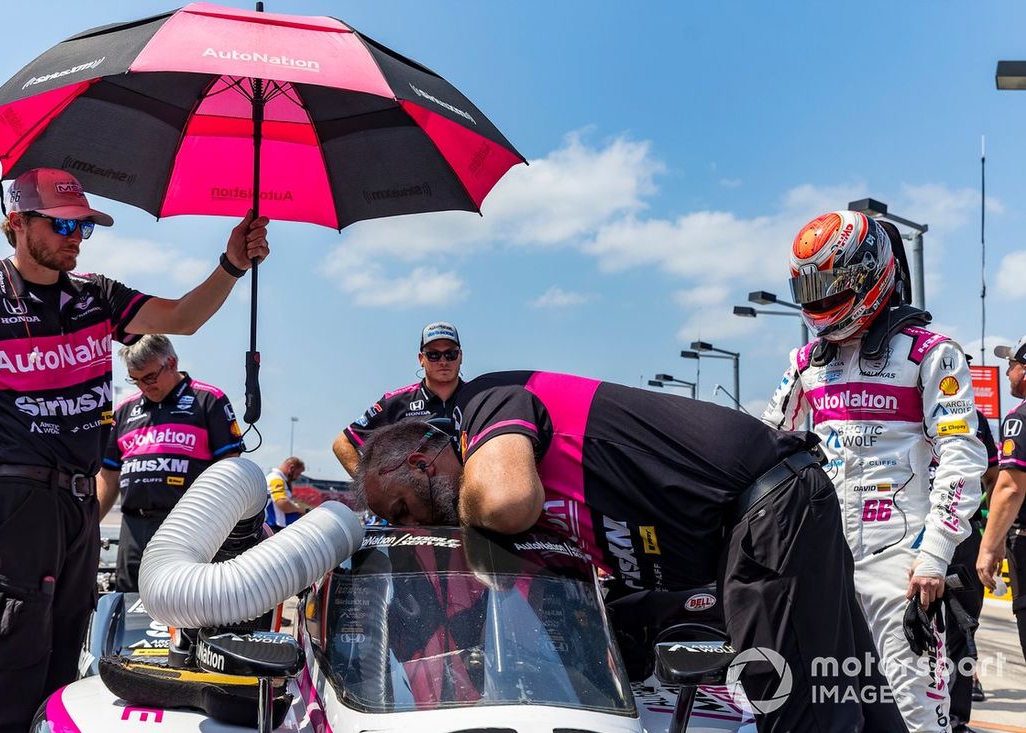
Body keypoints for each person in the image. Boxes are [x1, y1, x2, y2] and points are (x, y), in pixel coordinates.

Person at [354, 370, 908, 732]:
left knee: (793, 704)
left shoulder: (486, 403)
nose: (411, 525)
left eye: (402, 508)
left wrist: (473, 529)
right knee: (854, 689)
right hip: (766, 515)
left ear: (423, 463)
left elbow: (508, 500)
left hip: (765, 507)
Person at [0, 167, 269, 733]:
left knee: (64, 670)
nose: (74, 237)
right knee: (0, 679)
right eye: (62, 224)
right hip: (12, 503)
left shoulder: (97, 296)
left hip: (80, 508)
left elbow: (182, 317)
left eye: (84, 227)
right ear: (16, 223)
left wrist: (231, 263)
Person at [763, 211, 985, 733]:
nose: (816, 301)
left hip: (902, 566)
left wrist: (933, 556)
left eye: (828, 285)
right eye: (807, 287)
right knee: (824, 706)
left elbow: (962, 456)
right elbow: (767, 444)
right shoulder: (806, 363)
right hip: (825, 560)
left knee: (916, 715)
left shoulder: (930, 353)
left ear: (869, 276)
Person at [97, 335, 245, 592]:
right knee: (130, 606)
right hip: (134, 527)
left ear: (172, 362)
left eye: (150, 377)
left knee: (183, 604)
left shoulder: (209, 399)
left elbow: (230, 467)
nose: (144, 386)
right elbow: (107, 478)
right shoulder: (123, 410)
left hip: (187, 525)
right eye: (135, 379)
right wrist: (85, 525)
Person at [332, 321, 465, 477]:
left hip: (469, 499)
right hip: (418, 498)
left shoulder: (480, 398)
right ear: (421, 359)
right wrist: (370, 488)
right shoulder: (395, 402)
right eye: (433, 355)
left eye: (450, 354)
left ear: (460, 357)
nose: (443, 361)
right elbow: (342, 443)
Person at [941, 409, 999, 731]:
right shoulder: (903, 406)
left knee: (962, 631)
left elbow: (993, 476)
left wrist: (992, 535)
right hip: (908, 538)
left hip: (964, 538)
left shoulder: (975, 418)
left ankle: (955, 720)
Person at [978, 335, 1026, 666]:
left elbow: (1009, 487)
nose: (1007, 372)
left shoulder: (1020, 418)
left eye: (1011, 365)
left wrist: (988, 547)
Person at [264, 455, 308, 532]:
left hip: (279, 528)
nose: (296, 477)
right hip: (276, 529)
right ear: (291, 468)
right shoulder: (276, 479)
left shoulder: (279, 479)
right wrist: (299, 510)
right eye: (297, 474)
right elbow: (282, 503)